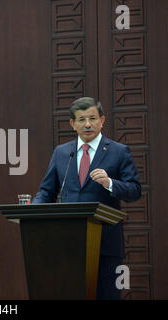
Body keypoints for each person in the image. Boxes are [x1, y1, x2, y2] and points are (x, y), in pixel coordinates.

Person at [33, 97, 141, 300]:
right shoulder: (62, 153)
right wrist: (32, 212)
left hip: (106, 245)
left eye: (92, 118)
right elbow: (46, 192)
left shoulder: (118, 152)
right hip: (67, 243)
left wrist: (110, 183)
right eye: (81, 119)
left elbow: (134, 190)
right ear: (73, 124)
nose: (88, 124)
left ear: (102, 120)